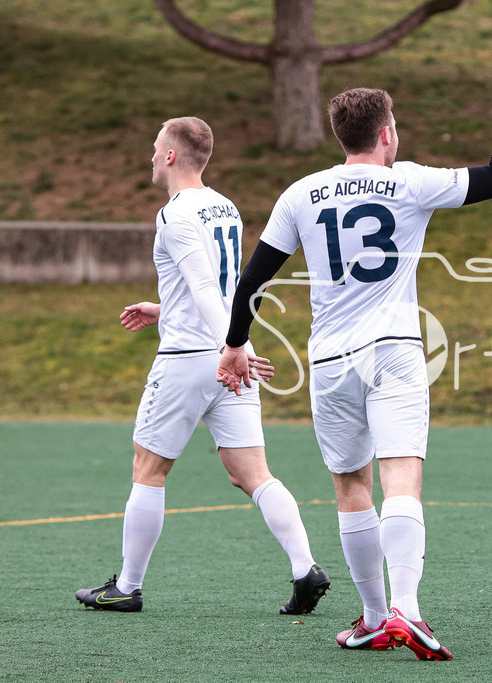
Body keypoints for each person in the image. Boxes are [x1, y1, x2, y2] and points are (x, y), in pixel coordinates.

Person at [217, 44, 492, 661]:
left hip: (331, 359)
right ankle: (406, 611)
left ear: (342, 135)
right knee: (402, 478)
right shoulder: (409, 181)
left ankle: (372, 617)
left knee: (350, 486)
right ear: (386, 133)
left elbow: (254, 278)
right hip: (393, 350)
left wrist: (235, 343)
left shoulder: (301, 193)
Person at [75, 117, 328, 617]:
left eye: (156, 148)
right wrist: (170, 311)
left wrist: (234, 347)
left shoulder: (173, 214)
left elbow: (205, 287)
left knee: (149, 469)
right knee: (253, 474)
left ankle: (127, 587)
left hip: (196, 360)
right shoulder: (224, 206)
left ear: (171, 155)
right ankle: (306, 569)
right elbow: (222, 285)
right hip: (227, 355)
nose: (151, 156)